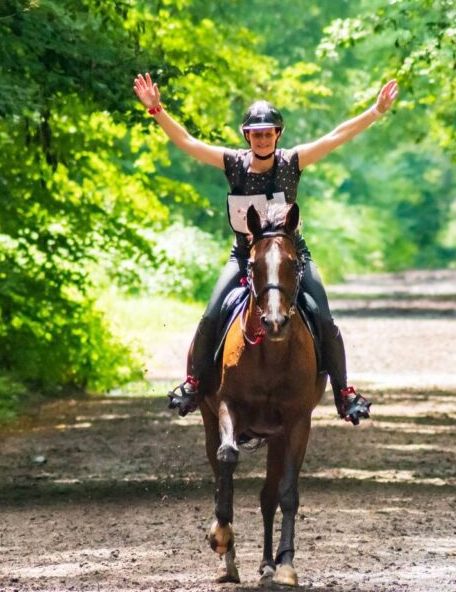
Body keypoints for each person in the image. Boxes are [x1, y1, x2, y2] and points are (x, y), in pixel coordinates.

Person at [133, 73, 398, 424]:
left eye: (268, 132)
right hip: (245, 258)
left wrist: (375, 112)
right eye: (256, 133)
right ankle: (195, 383)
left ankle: (343, 392)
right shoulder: (233, 163)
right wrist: (157, 110)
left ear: (277, 134)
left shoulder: (293, 161)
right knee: (212, 315)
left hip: (292, 259)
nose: (262, 139)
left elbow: (336, 136)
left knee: (324, 318)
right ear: (248, 136)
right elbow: (187, 142)